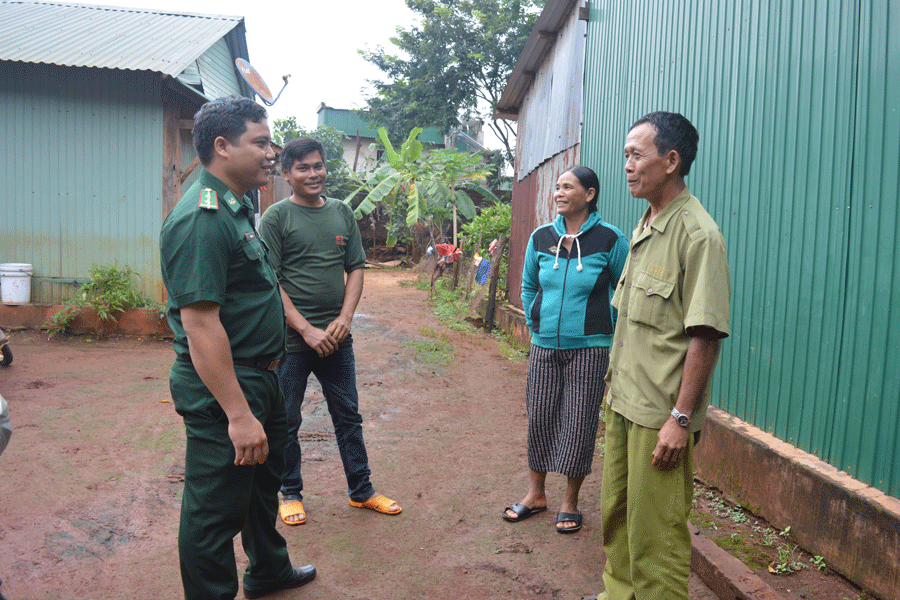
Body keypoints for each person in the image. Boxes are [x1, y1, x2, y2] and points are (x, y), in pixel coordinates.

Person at [159, 96, 316, 600]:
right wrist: (238, 414)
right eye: (261, 142)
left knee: (261, 488)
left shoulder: (234, 206)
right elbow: (201, 325)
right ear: (222, 147)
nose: (273, 153)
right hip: (227, 384)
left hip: (261, 374)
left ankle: (268, 571)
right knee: (213, 510)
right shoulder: (201, 218)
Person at [600, 112, 731, 599]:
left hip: (660, 416)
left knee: (655, 534)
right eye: (626, 156)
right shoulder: (647, 222)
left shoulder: (698, 235)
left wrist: (680, 418)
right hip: (623, 403)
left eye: (637, 155)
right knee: (616, 517)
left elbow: (704, 336)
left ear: (671, 160)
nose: (628, 166)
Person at [258, 138, 400, 526]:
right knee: (286, 419)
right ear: (286, 173)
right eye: (302, 168)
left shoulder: (341, 213)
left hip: (338, 339)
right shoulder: (276, 218)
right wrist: (305, 330)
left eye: (318, 166)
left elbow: (355, 267)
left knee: (348, 415)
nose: (313, 173)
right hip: (291, 340)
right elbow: (271, 281)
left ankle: (362, 490)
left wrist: (344, 320)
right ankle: (290, 492)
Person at [503, 165, 628, 533]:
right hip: (543, 348)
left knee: (579, 421)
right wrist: (534, 321)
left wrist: (611, 332)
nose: (558, 192)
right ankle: (535, 494)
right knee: (539, 416)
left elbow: (626, 291)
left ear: (589, 195)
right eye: (556, 187)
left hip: (590, 350)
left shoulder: (610, 239)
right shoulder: (541, 238)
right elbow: (528, 286)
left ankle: (569, 501)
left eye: (567, 187)